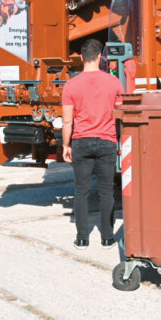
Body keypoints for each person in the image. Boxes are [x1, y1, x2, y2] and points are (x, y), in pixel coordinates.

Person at [61, 38, 124, 249]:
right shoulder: (114, 83)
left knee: (81, 191)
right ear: (100, 57)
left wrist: (65, 145)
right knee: (106, 191)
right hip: (106, 141)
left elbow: (67, 120)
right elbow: (120, 114)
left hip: (81, 142)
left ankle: (82, 238)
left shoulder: (70, 85)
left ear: (81, 57)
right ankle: (107, 237)